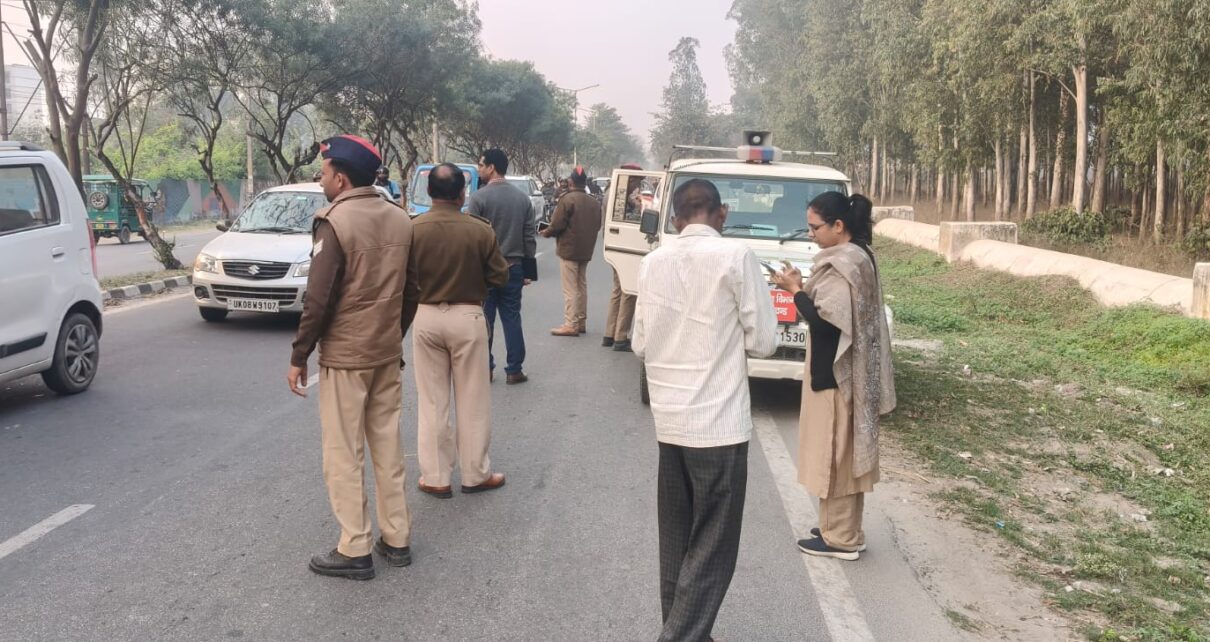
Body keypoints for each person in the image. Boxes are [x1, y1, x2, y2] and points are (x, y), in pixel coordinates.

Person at [632, 178, 778, 641]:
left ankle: (686, 631)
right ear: (722, 213)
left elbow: (639, 343)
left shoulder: (653, 262)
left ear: (675, 218)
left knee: (677, 540)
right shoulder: (736, 256)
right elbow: (764, 341)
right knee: (713, 547)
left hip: (670, 421)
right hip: (719, 425)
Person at [287, 135, 419, 580]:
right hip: (385, 353)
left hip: (345, 358)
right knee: (388, 447)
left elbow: (318, 299)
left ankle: (355, 548)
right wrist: (392, 334)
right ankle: (397, 539)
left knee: (343, 453)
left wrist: (299, 354)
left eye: (323, 173)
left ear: (340, 178)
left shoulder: (334, 221)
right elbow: (412, 290)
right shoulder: (400, 218)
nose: (320, 179)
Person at [771, 191, 896, 561]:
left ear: (838, 226)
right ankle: (844, 529)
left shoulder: (844, 263)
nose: (811, 235)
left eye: (815, 228)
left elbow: (826, 322)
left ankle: (840, 539)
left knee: (835, 457)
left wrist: (795, 291)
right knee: (843, 455)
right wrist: (801, 287)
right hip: (848, 372)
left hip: (837, 375)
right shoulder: (857, 256)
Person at [409, 163, 511, 498]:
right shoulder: (479, 230)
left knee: (432, 401)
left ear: (429, 192)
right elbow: (500, 276)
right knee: (473, 399)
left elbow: (402, 278)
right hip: (468, 316)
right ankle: (475, 474)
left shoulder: (412, 229)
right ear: (462, 193)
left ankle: (436, 477)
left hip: (425, 316)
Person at [467, 149, 537, 384]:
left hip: (485, 271)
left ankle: (485, 369)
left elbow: (472, 238)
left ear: (492, 167)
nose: (479, 169)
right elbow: (529, 237)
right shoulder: (522, 199)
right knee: (512, 318)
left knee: (484, 321)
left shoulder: (478, 198)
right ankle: (514, 370)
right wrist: (528, 272)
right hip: (513, 267)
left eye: (481, 165)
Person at [541, 166, 601, 337]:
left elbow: (557, 224)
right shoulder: (594, 202)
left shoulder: (567, 199)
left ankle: (570, 324)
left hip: (569, 249)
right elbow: (598, 225)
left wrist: (546, 232)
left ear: (571, 181)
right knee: (581, 285)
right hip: (586, 249)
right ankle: (581, 321)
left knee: (570, 288)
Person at [602, 164, 645, 352]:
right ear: (629, 178)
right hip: (624, 245)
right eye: (636, 181)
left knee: (618, 290)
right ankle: (621, 336)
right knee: (629, 291)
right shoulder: (617, 196)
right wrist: (638, 206)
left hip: (616, 245)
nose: (637, 186)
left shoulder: (615, 193)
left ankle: (610, 333)